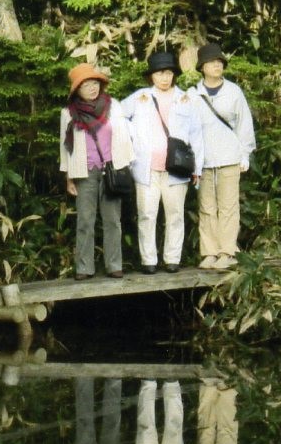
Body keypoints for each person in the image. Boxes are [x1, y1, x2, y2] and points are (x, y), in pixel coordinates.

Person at [121, 52, 204, 274]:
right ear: (152, 76)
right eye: (160, 73)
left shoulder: (186, 98)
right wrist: (133, 138)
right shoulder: (140, 97)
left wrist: (197, 167)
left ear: (174, 74)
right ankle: (149, 260)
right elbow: (117, 116)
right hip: (146, 168)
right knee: (147, 215)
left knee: (175, 214)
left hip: (176, 168)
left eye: (168, 73)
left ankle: (172, 259)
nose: (165, 78)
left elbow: (196, 134)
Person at [59, 63, 134, 280]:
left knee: (112, 220)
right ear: (77, 90)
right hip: (84, 171)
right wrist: (68, 176)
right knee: (85, 220)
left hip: (111, 169)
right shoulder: (68, 113)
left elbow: (125, 137)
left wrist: (125, 165)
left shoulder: (113, 106)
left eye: (95, 83)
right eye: (86, 85)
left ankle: (114, 265)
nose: (92, 88)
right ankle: (84, 268)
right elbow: (64, 146)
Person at [190, 44, 256, 271]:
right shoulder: (193, 94)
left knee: (228, 206)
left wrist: (245, 153)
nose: (217, 65)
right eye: (211, 62)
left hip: (229, 157)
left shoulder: (234, 91)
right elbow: (186, 128)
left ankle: (227, 251)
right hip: (203, 160)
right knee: (207, 206)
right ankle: (209, 251)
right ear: (202, 67)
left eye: (220, 61)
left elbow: (244, 124)